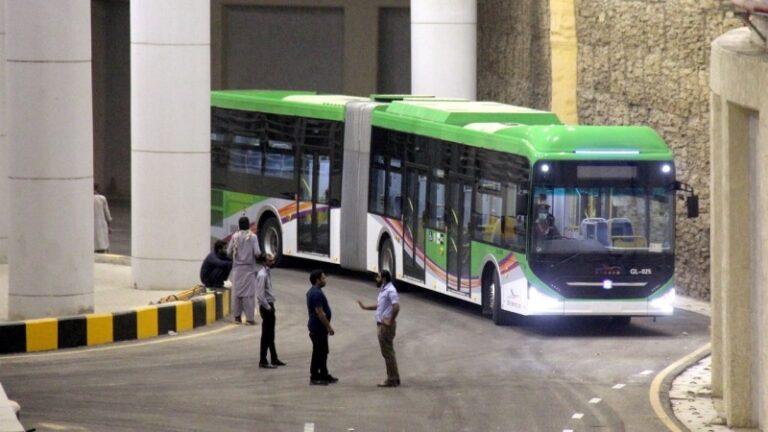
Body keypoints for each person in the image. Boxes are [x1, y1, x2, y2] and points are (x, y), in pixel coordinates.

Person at [357, 269, 401, 387]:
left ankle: (391, 379)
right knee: (389, 352)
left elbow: (396, 307)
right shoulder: (384, 289)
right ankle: (395, 377)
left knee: (387, 353)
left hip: (385, 327)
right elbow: (380, 306)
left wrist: (390, 320)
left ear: (384, 278)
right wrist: (365, 307)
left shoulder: (390, 290)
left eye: (378, 277)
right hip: (382, 325)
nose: (376, 279)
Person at [227, 216, 262, 325]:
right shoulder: (253, 237)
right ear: (248, 225)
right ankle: (249, 319)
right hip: (249, 270)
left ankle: (237, 318)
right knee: (248, 295)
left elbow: (228, 252)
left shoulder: (235, 236)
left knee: (237, 294)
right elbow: (257, 252)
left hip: (237, 270)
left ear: (239, 225)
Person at [306, 269, 337, 385]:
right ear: (317, 280)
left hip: (319, 328)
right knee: (318, 352)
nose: (325, 280)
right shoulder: (316, 294)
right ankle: (314, 376)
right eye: (323, 278)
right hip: (317, 327)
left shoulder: (315, 291)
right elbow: (320, 313)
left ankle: (324, 374)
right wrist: (329, 327)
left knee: (323, 352)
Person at [256, 254, 286, 369]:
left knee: (271, 334)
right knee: (266, 335)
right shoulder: (262, 275)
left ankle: (274, 358)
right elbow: (260, 295)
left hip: (269, 305)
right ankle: (263, 360)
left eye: (272, 260)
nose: (272, 262)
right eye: (269, 261)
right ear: (264, 262)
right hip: (266, 307)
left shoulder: (267, 272)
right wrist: (268, 308)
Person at [94, 184, 112, 253]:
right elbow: (107, 214)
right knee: (102, 245)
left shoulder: (86, 199)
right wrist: (109, 226)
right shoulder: (102, 198)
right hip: (101, 225)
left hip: (91, 226)